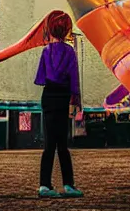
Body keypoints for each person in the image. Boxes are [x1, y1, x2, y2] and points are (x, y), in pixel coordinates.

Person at [34, 10, 84, 198]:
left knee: (49, 144)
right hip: (64, 96)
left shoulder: (46, 51)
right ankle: (69, 185)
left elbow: (40, 78)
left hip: (49, 96)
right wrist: (75, 99)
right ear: (67, 30)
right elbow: (74, 79)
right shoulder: (70, 51)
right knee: (63, 144)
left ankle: (44, 185)